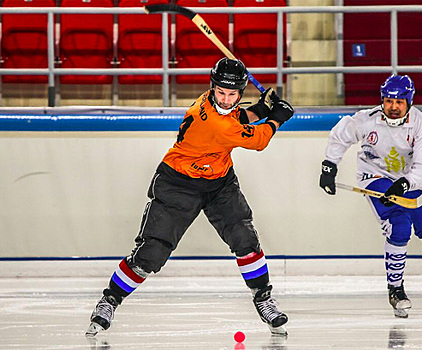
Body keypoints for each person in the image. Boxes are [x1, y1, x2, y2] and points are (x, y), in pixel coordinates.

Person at [86, 57, 294, 336]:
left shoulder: (220, 108)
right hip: (178, 184)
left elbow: (239, 116)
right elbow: (257, 140)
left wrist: (262, 108)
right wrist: (278, 115)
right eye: (221, 92)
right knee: (151, 253)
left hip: (219, 183)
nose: (225, 98)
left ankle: (263, 298)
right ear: (212, 87)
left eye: (232, 94)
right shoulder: (211, 121)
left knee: (245, 238)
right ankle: (109, 300)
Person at [318, 74, 422, 318]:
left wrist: (404, 184)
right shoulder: (367, 120)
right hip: (375, 178)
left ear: (409, 101)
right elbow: (340, 135)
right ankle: (395, 290)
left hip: (411, 179)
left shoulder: (421, 124)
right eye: (388, 101)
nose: (393, 107)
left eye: (399, 102)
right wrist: (329, 166)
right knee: (399, 225)